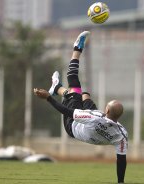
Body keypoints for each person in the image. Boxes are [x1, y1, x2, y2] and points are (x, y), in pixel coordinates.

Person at [34, 31, 128, 184]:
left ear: (107, 110)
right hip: (91, 123)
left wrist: (48, 99)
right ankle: (57, 87)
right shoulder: (122, 134)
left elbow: (67, 111)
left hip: (73, 125)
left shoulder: (93, 117)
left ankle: (76, 50)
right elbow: (121, 160)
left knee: (74, 85)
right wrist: (120, 182)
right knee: (83, 95)